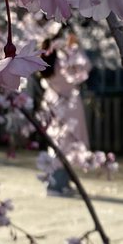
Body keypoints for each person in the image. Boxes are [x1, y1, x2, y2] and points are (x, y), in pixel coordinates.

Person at [38, 32, 92, 194]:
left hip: (52, 104)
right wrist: (73, 48)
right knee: (68, 145)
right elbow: (85, 68)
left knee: (58, 143)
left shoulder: (46, 62)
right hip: (69, 106)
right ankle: (57, 185)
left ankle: (61, 183)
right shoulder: (63, 62)